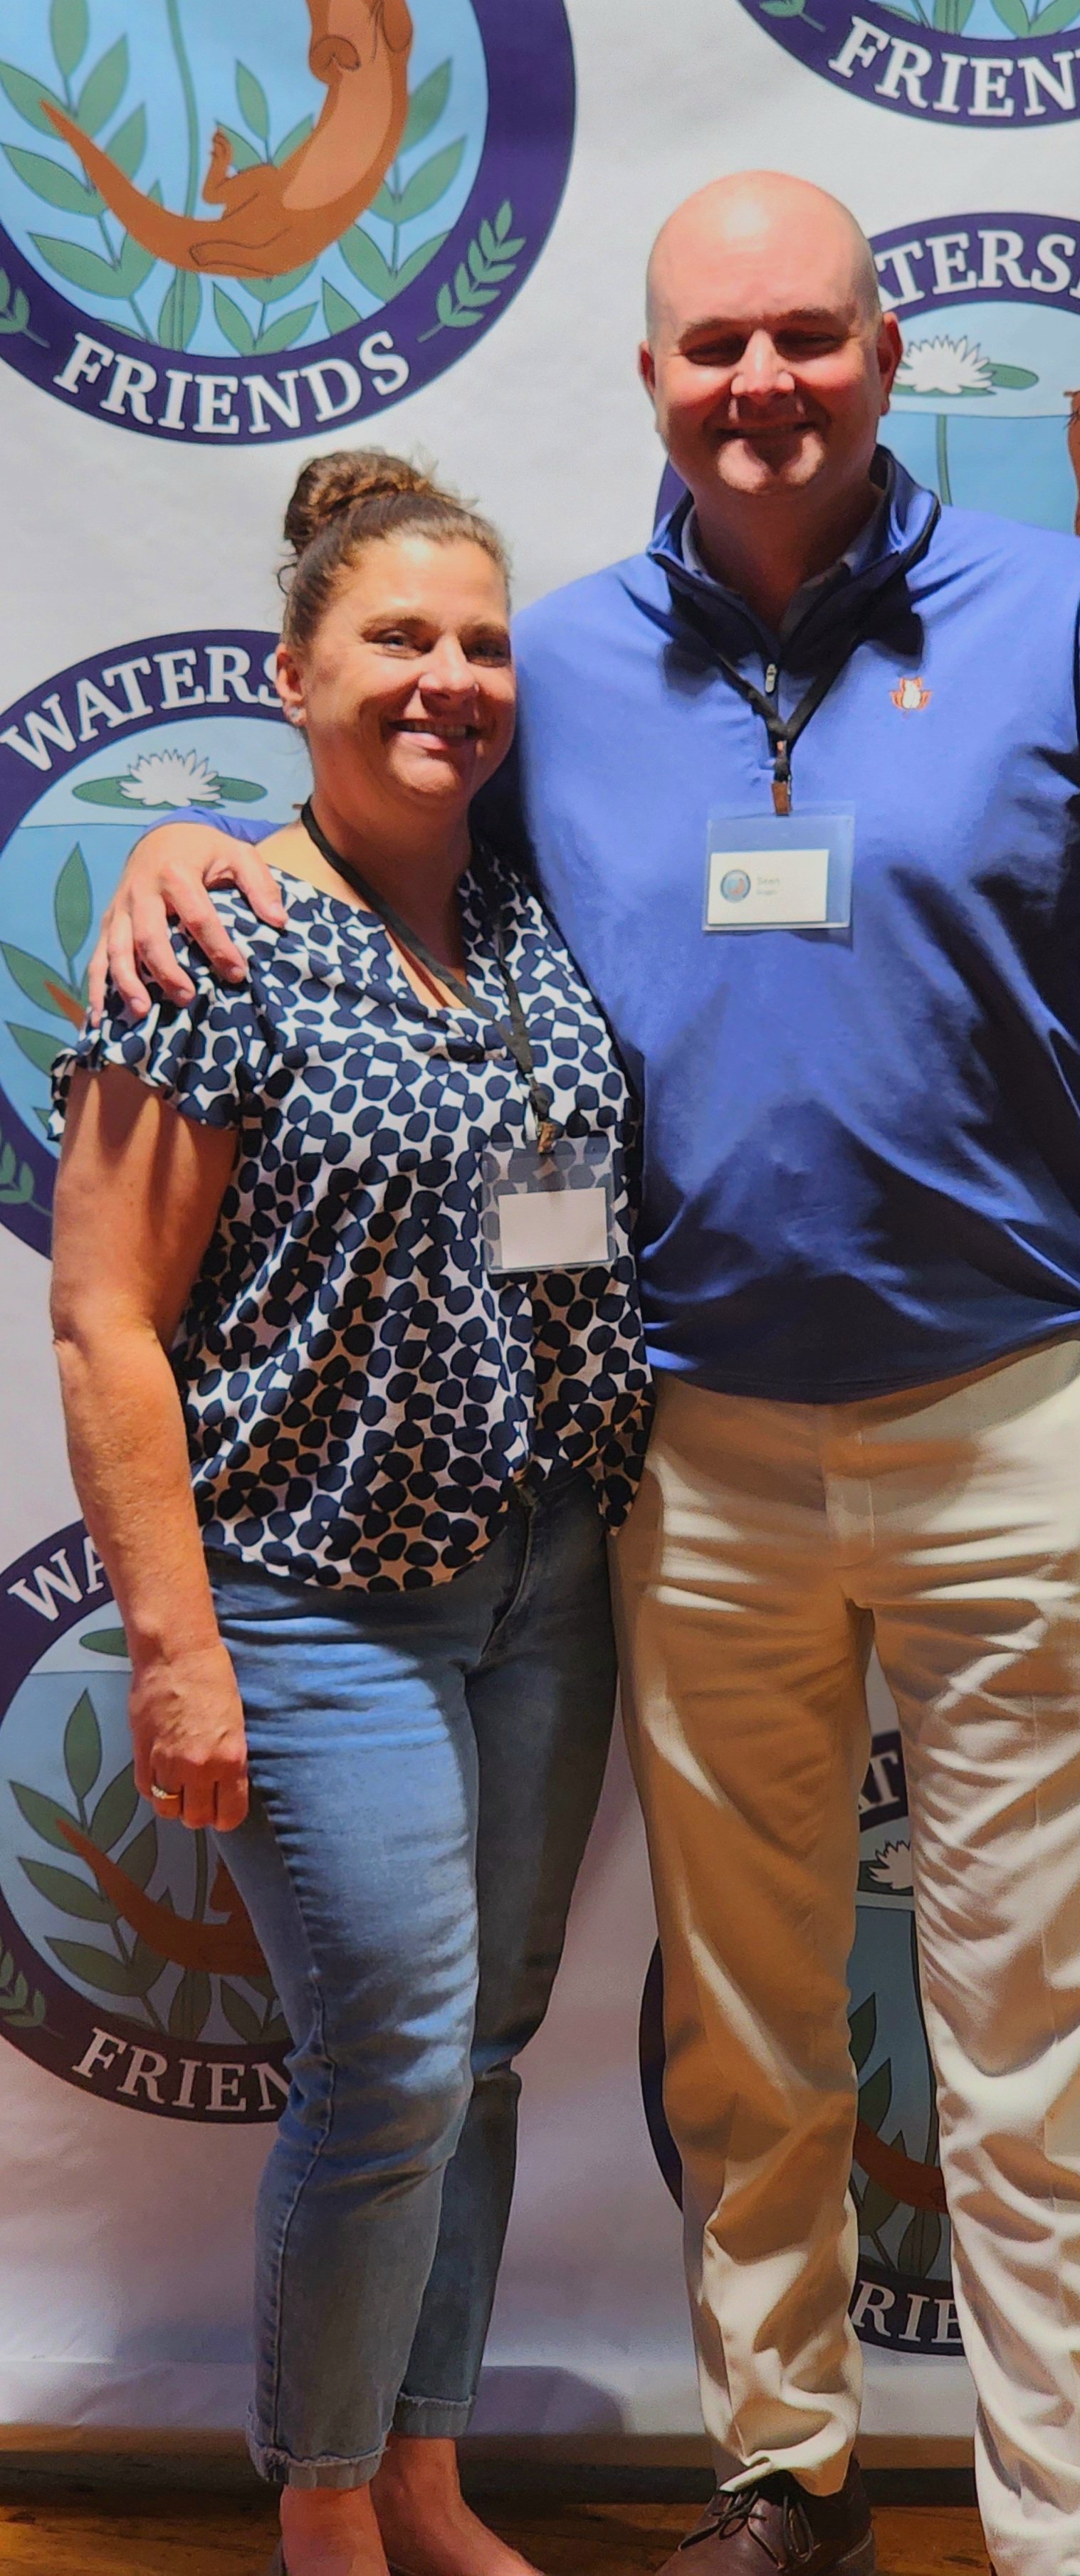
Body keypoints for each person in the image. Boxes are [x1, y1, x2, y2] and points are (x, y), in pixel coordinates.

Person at [92, 174, 1080, 2576]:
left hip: (1018, 1426)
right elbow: (374, 826)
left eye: (805, 338)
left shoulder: (1065, 624)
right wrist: (177, 849)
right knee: (746, 2032)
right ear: (645, 375)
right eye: (711, 343)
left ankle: (1068, 2542)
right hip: (694, 1459)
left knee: (1036, 2053)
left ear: (885, 347)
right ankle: (784, 2479)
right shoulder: (564, 670)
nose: (760, 384)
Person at [51, 453, 651, 2576]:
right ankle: (319, 2508)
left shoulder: (534, 919)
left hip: (546, 1581)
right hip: (315, 1603)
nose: (449, 679)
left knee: (479, 2052)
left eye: (482, 645)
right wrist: (178, 1647)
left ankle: (423, 2462)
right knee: (389, 2049)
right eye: (398, 639)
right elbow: (105, 1322)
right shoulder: (207, 934)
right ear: (292, 676)